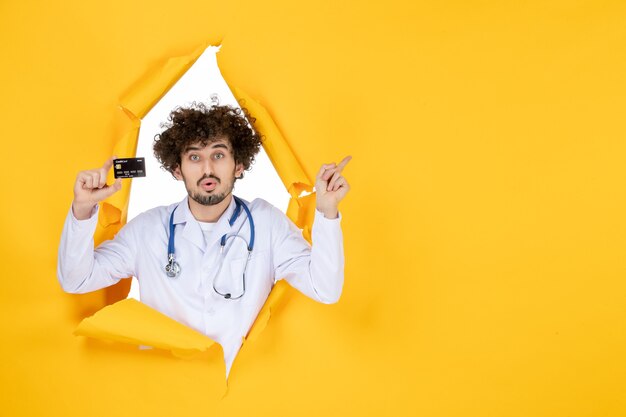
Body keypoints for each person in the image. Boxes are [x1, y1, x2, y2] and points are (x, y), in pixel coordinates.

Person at [57, 103, 350, 375]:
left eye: (218, 155)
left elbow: (325, 288)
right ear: (177, 169)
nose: (207, 168)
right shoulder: (147, 230)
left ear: (239, 165)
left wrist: (326, 212)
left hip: (239, 393)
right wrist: (82, 210)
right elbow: (76, 280)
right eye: (194, 156)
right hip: (166, 393)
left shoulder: (267, 223)